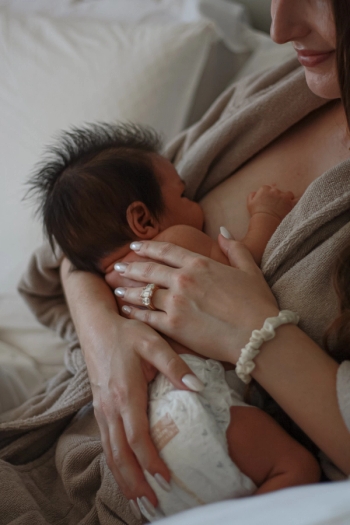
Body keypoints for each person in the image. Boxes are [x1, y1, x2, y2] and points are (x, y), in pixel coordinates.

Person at [49, 0, 350, 520]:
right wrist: (106, 342)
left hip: (175, 451)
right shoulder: (278, 90)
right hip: (76, 444)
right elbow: (71, 245)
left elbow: (93, 248)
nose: (279, 28)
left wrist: (256, 331)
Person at [28, 122, 319, 520]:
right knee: (298, 468)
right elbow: (243, 268)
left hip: (147, 448)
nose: (192, 200)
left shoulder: (108, 287)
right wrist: (265, 215)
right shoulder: (175, 243)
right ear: (142, 221)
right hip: (197, 409)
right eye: (182, 193)